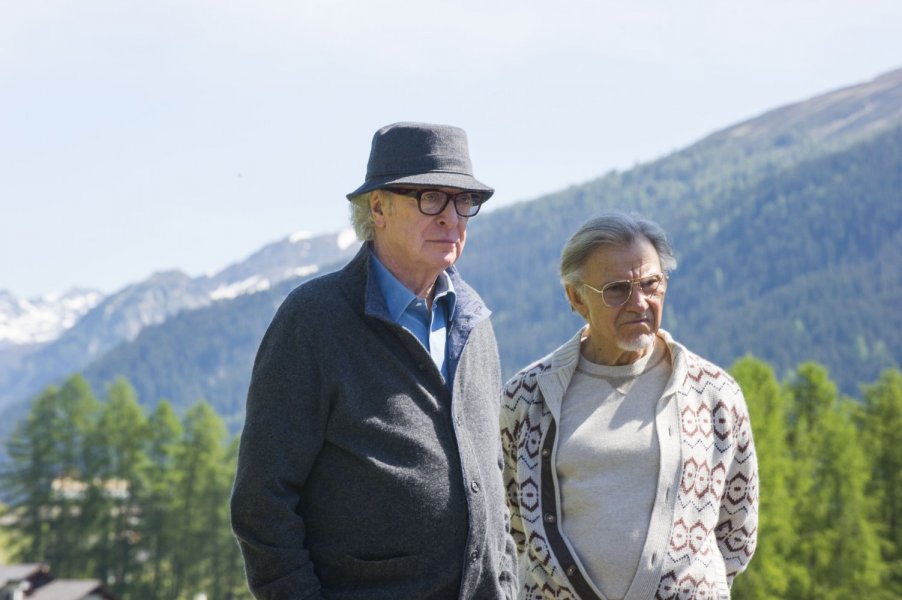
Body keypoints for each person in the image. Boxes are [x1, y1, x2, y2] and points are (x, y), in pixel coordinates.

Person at [230, 122, 517, 599]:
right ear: (378, 208)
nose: (451, 217)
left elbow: (492, 485)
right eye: (431, 198)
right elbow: (263, 504)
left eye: (464, 200)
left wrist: (506, 586)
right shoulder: (314, 321)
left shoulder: (474, 324)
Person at [500, 211, 758, 600]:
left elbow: (737, 532)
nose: (639, 302)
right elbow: (511, 523)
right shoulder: (527, 397)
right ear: (576, 298)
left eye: (651, 284)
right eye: (617, 289)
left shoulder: (714, 394)